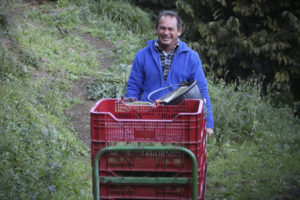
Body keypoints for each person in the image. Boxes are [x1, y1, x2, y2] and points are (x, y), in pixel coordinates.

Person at [126, 10, 214, 136]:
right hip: (148, 120)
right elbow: (133, 88)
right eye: (162, 28)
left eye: (171, 29)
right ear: (156, 29)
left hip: (180, 122)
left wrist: (208, 124)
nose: (166, 33)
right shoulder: (142, 55)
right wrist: (129, 116)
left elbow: (202, 91)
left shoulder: (191, 57)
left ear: (179, 31)